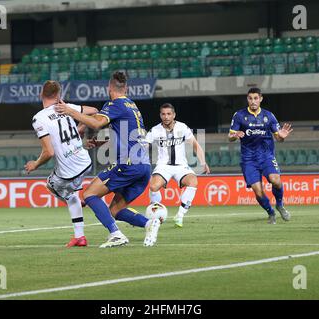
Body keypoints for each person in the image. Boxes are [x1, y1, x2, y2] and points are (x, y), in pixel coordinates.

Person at [54, 71, 161, 248]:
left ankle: (116, 234)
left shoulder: (116, 104)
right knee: (115, 210)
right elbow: (129, 134)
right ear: (126, 88)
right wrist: (102, 142)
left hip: (128, 164)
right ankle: (149, 223)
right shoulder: (132, 105)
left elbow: (96, 123)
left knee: (89, 194)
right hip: (143, 166)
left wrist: (69, 111)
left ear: (109, 88)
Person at [24, 80, 98, 247]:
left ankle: (79, 212)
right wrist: (81, 126)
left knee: (52, 186)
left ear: (40, 95)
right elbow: (94, 111)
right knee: (72, 194)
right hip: (85, 162)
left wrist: (34, 165)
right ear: (59, 95)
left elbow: (49, 152)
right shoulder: (67, 106)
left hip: (69, 170)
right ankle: (80, 236)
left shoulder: (39, 118)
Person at [228, 87, 293, 224]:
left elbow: (278, 138)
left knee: (275, 180)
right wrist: (235, 135)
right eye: (250, 98)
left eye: (256, 98)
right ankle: (271, 212)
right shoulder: (239, 115)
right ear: (247, 99)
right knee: (258, 191)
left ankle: (280, 205)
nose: (253, 101)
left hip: (266, 156)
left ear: (261, 99)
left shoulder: (269, 116)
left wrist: (282, 136)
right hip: (248, 159)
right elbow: (230, 136)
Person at [146, 103, 210, 227]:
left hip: (181, 166)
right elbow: (143, 145)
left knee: (193, 181)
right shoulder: (155, 130)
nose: (166, 117)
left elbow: (195, 145)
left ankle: (180, 215)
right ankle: (156, 212)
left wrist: (203, 162)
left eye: (169, 114)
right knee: (153, 187)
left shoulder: (182, 127)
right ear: (160, 115)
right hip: (163, 165)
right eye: (163, 114)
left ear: (174, 115)